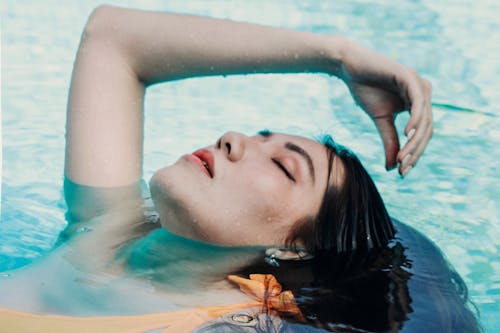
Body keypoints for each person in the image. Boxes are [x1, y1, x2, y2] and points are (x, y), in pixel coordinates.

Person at [5, 5, 482, 333]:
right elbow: (112, 37)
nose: (231, 139)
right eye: (258, 135)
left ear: (294, 251)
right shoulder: (107, 227)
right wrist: (338, 57)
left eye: (282, 165)